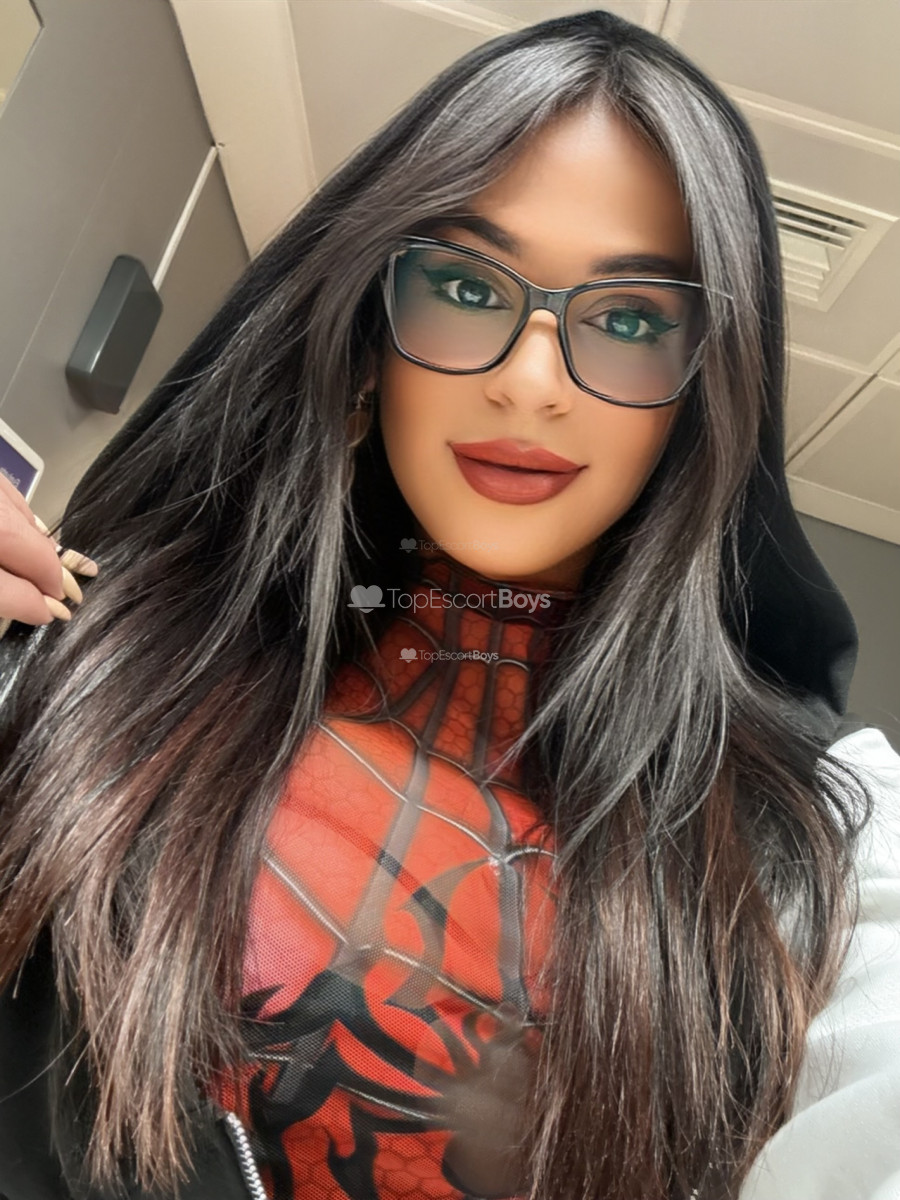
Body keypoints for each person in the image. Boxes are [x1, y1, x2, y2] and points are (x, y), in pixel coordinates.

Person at [0, 8, 898, 1200]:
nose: (530, 383)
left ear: (698, 398)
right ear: (371, 332)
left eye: (631, 319)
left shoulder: (821, 840)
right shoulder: (93, 664)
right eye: (466, 286)